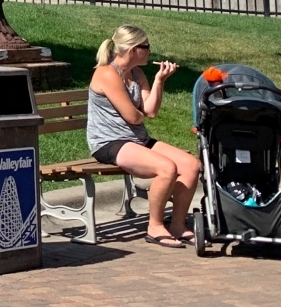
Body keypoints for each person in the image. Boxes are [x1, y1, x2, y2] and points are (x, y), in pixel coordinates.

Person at [86, 22, 200, 249]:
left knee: (191, 165)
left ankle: (177, 225)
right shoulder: (107, 74)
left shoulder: (137, 74)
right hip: (110, 142)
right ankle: (155, 226)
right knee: (166, 168)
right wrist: (140, 113)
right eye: (146, 46)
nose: (150, 50)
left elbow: (151, 111)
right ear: (133, 50)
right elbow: (134, 117)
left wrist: (159, 80)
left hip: (136, 139)